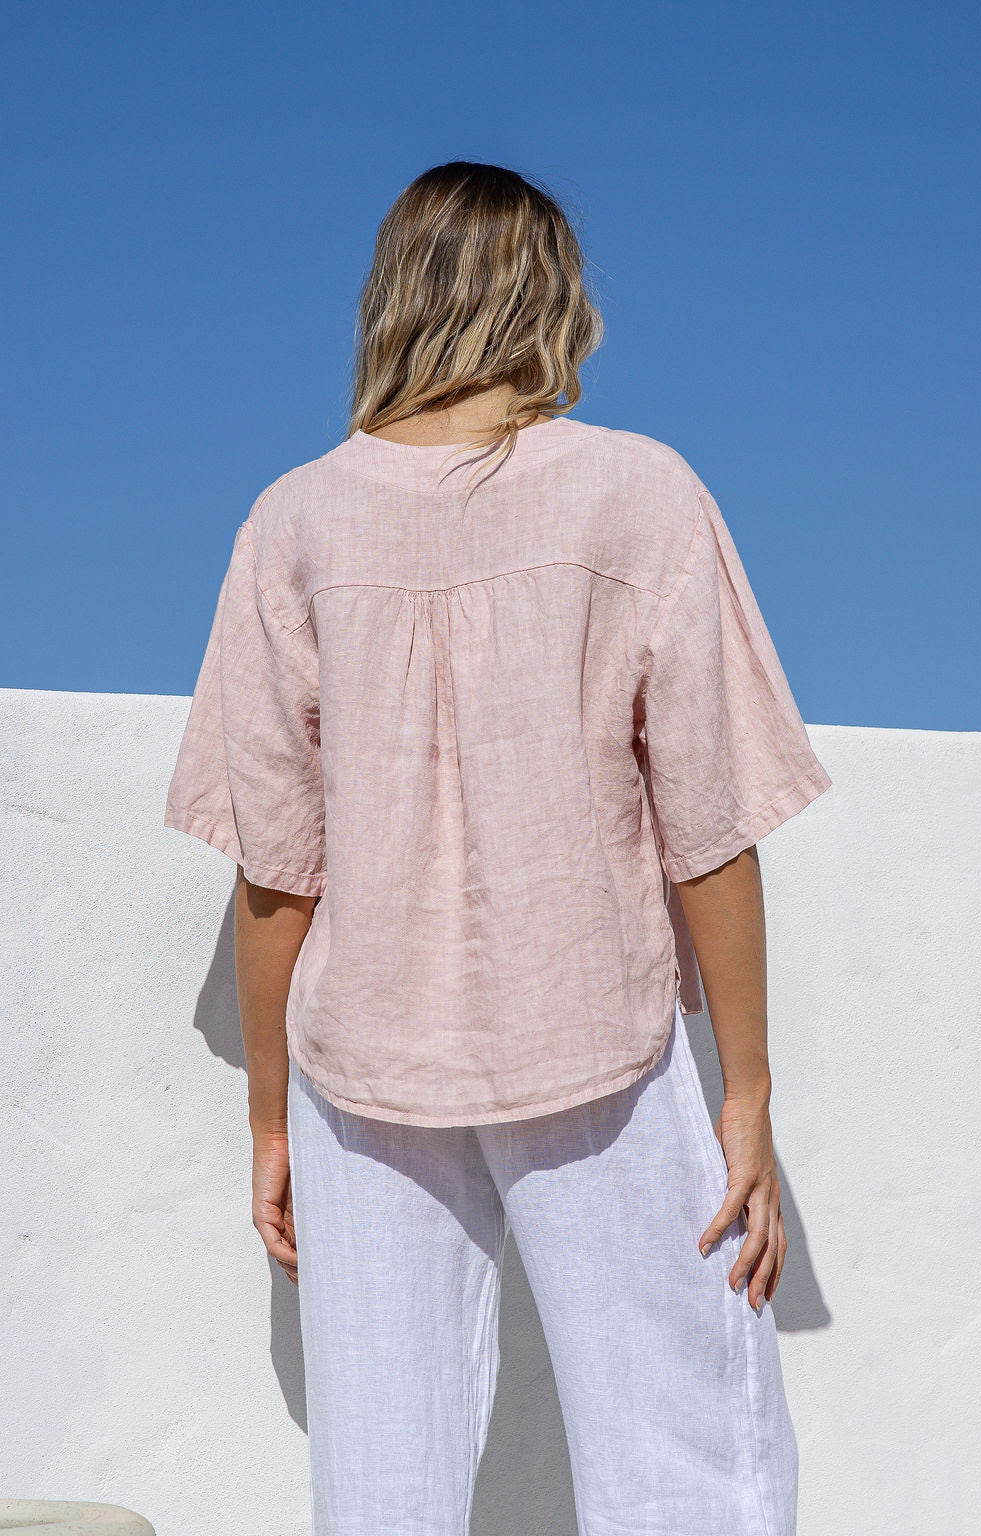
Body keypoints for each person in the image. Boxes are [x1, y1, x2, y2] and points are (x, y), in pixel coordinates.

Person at [163, 160, 832, 1536]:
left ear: (392, 298)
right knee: (687, 1453)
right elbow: (707, 826)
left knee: (381, 1479)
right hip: (596, 1033)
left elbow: (277, 872)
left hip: (363, 1068)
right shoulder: (640, 493)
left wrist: (270, 1120)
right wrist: (749, 1094)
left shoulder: (292, 523)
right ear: (553, 299)